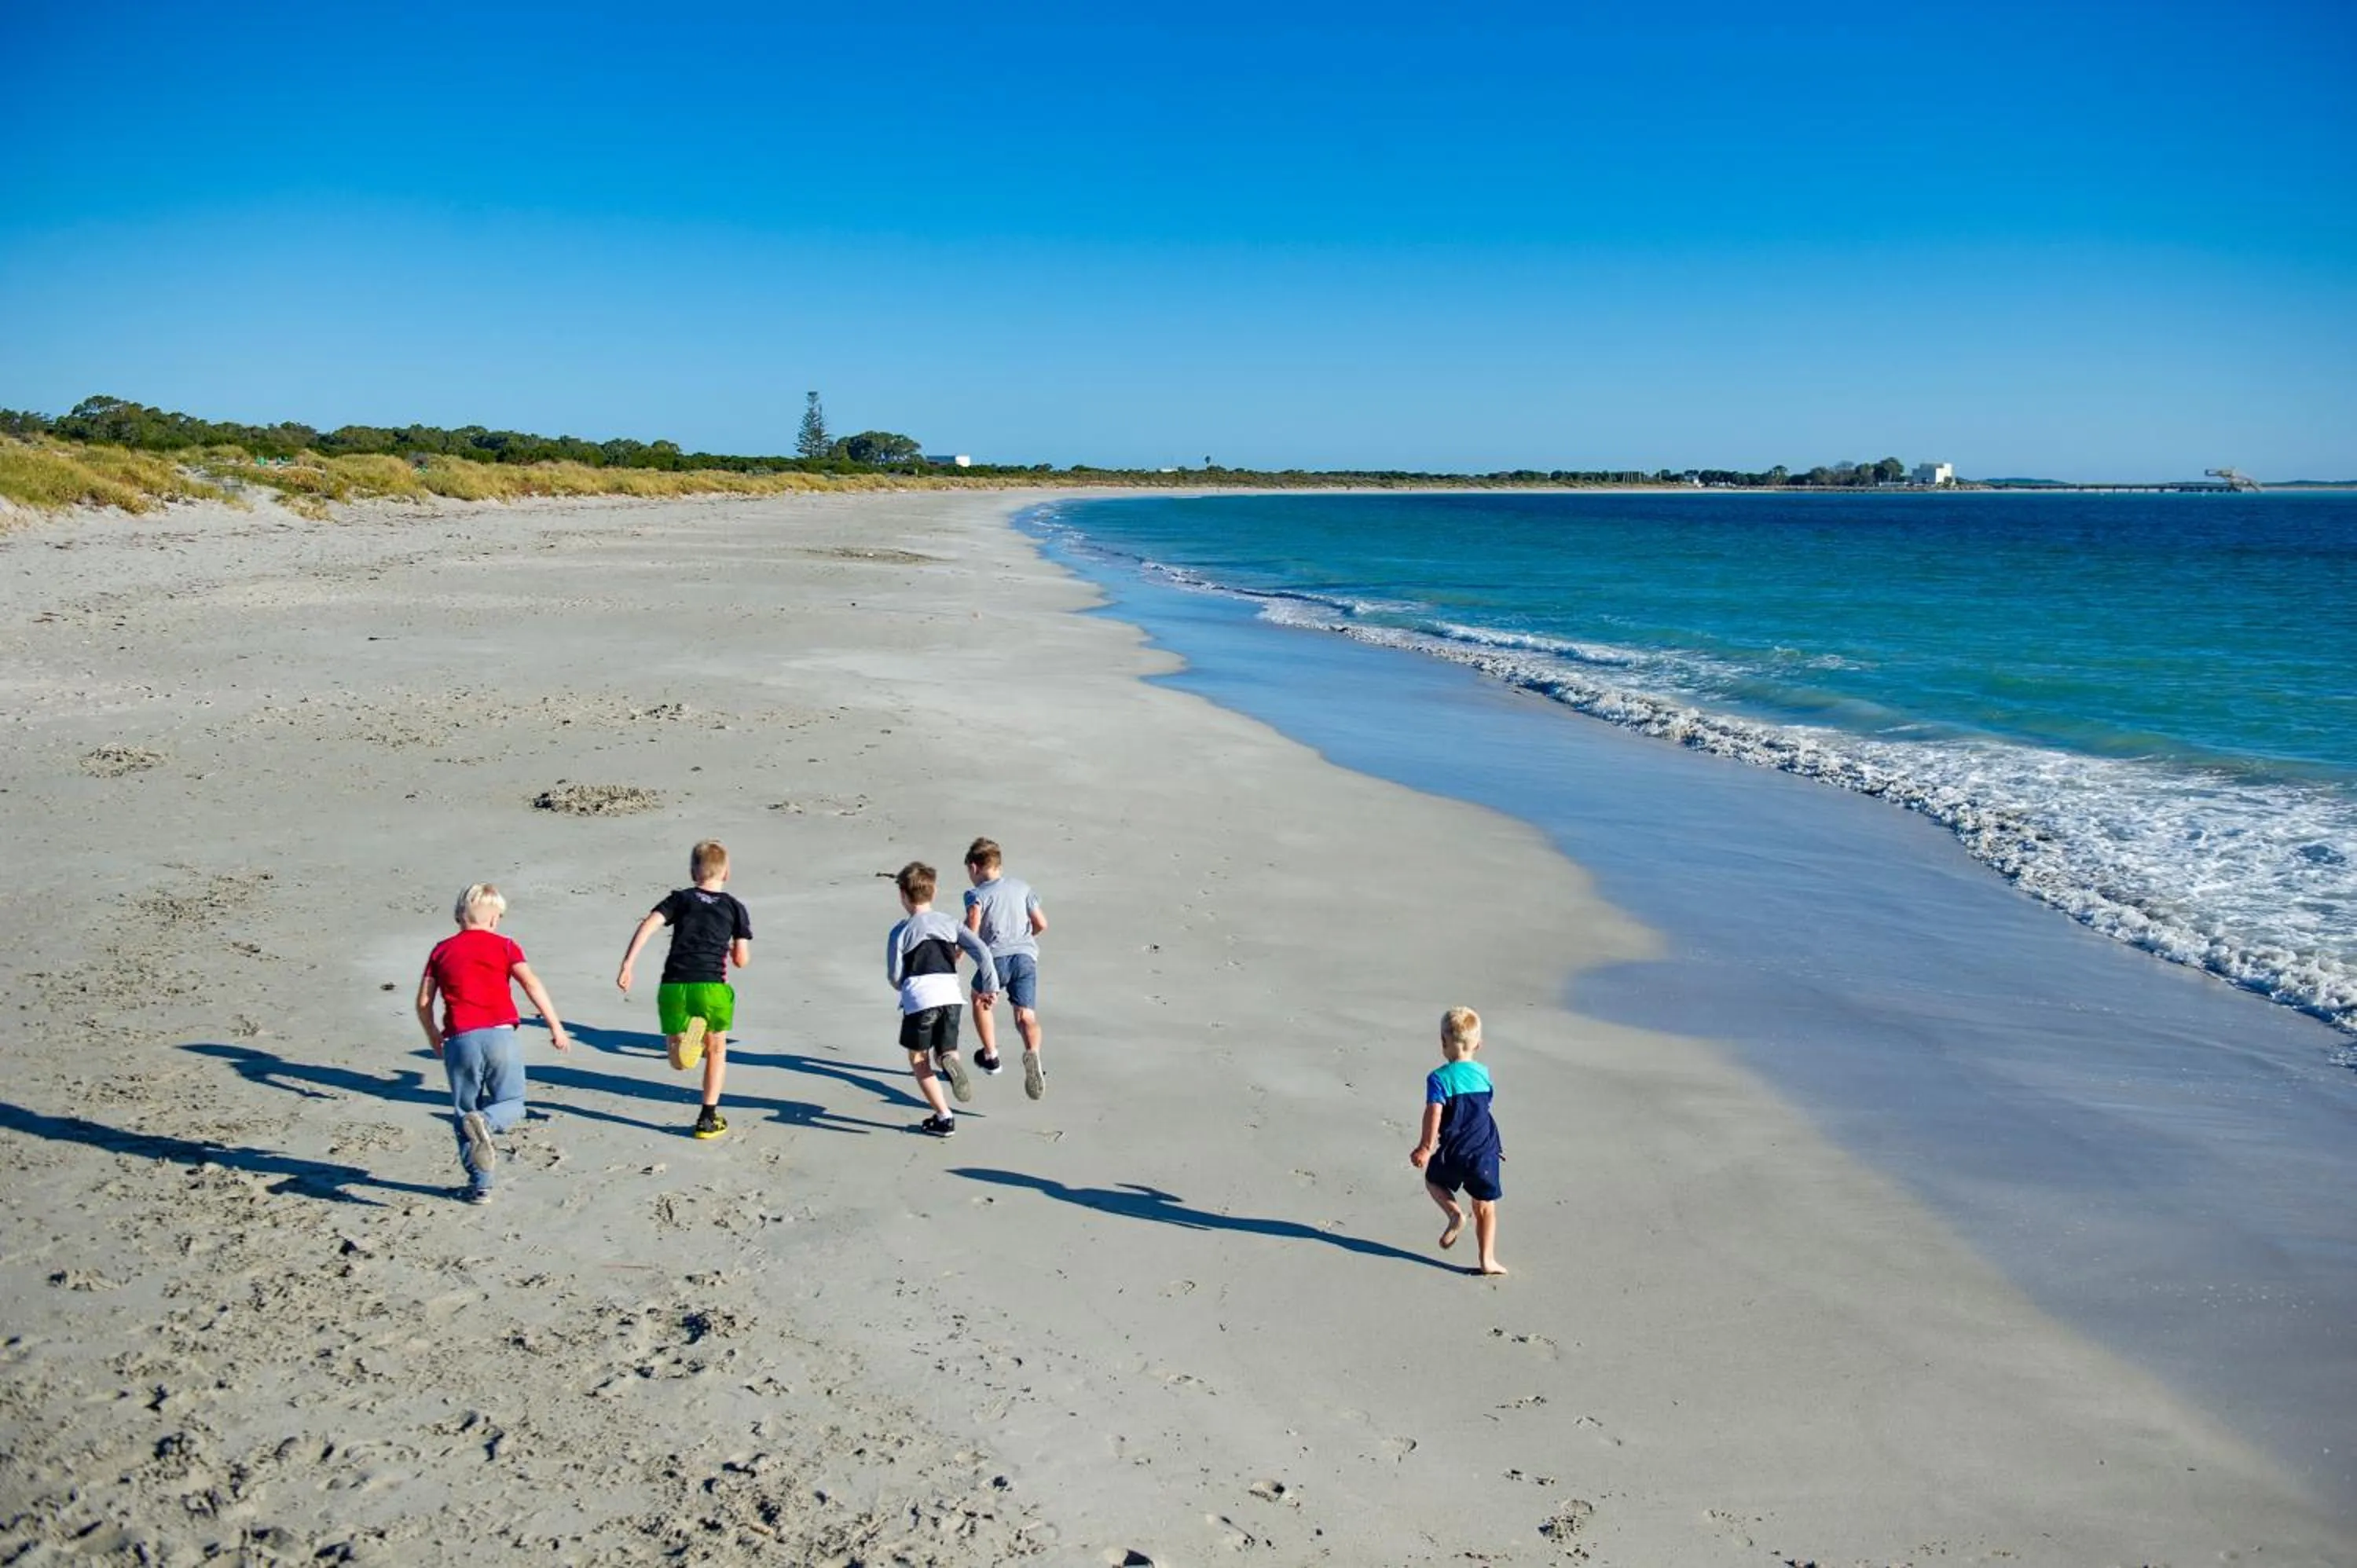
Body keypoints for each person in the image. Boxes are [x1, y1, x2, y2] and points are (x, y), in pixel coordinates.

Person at [414, 882, 573, 1204]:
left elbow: (423, 1001)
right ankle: (488, 1122)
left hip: (459, 1039)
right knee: (513, 1102)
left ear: (459, 916)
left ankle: (480, 1185)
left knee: (464, 1113)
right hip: (501, 1036)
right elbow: (531, 983)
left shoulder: (441, 950)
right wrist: (555, 1026)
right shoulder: (505, 945)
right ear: (495, 919)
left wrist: (433, 1035)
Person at [617, 840, 752, 1141]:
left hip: (674, 985)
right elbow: (742, 960)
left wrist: (628, 964)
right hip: (712, 987)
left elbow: (649, 925)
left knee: (679, 1062)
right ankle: (707, 1117)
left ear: (693, 872)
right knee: (716, 1050)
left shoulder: (680, 899)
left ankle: (685, 1044)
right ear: (726, 873)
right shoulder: (735, 907)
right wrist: (731, 948)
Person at [886, 860, 1000, 1137]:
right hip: (951, 995)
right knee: (946, 1049)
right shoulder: (949, 923)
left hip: (920, 999)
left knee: (918, 1059)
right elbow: (982, 951)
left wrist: (905, 988)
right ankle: (950, 1061)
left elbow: (895, 975)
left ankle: (944, 1116)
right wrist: (990, 986)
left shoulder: (901, 931)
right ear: (934, 892)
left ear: (902, 894)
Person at [1409, 1006, 1506, 1276]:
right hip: (1485, 1151)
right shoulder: (1483, 1074)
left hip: (1454, 1150)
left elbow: (1434, 1112)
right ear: (1479, 1045)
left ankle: (1454, 1214)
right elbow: (1483, 1110)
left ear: (1443, 1042)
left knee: (1433, 1180)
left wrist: (1426, 1147)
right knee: (1485, 1206)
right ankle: (1487, 1260)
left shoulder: (1438, 1078)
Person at [962, 837, 1049, 1100]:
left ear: (975, 868)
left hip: (995, 958)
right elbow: (1041, 923)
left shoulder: (976, 894)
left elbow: (974, 926)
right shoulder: (1022, 887)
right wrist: (1024, 939)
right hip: (1026, 957)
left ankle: (990, 1056)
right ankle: (1032, 1053)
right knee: (1026, 1017)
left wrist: (963, 950)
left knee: (980, 1000)